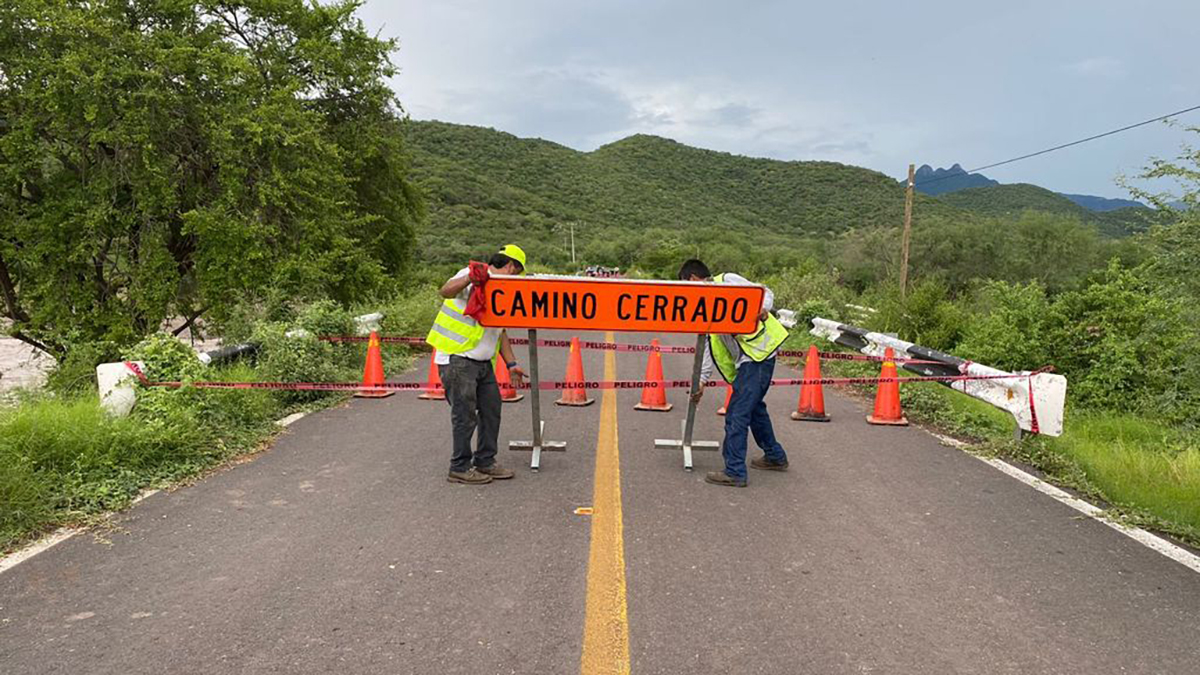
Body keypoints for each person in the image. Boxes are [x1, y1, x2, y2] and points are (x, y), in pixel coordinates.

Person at [679, 259, 790, 487]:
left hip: (758, 358)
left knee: (736, 414)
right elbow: (709, 348)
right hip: (748, 364)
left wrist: (763, 309)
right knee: (755, 410)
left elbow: (765, 292)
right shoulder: (708, 310)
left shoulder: (727, 281)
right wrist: (701, 381)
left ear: (693, 278)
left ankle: (735, 471)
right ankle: (775, 456)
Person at [426, 245, 529, 484]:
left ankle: (485, 461)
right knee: (464, 415)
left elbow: (501, 332)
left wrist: (512, 364)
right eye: (517, 272)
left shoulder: (501, 290)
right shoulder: (473, 275)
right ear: (511, 267)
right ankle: (459, 467)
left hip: (483, 364)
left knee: (491, 410)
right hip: (457, 358)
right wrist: (470, 278)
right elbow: (445, 291)